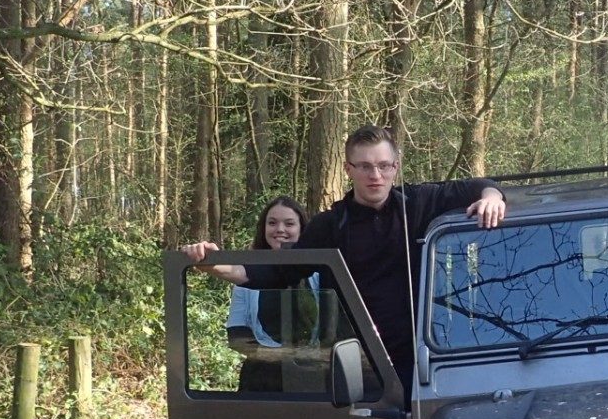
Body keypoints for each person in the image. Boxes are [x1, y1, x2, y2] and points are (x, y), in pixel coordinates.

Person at [182, 126, 507, 389]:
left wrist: (492, 198)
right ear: (348, 169)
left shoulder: (418, 203)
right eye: (364, 166)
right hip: (359, 365)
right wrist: (213, 263)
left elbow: (478, 186)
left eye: (383, 166)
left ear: (395, 167)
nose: (375, 175)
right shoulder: (330, 225)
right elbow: (277, 272)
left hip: (427, 357)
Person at [224, 196, 317, 392]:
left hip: (315, 375)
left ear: (302, 228)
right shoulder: (246, 276)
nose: (280, 229)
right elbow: (236, 334)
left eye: (289, 223)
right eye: (272, 223)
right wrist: (274, 357)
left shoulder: (320, 272)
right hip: (262, 379)